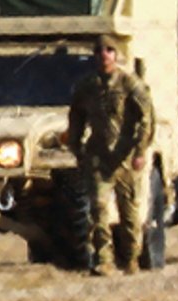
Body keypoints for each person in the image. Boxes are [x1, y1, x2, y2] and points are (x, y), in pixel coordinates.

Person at [66, 33, 155, 276]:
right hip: (98, 156)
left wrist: (140, 151)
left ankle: (130, 259)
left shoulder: (130, 84)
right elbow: (76, 118)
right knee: (98, 209)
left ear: (116, 55)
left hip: (125, 157)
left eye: (109, 50)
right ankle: (103, 260)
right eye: (99, 51)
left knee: (129, 214)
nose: (104, 55)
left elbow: (146, 120)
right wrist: (76, 149)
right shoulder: (87, 86)